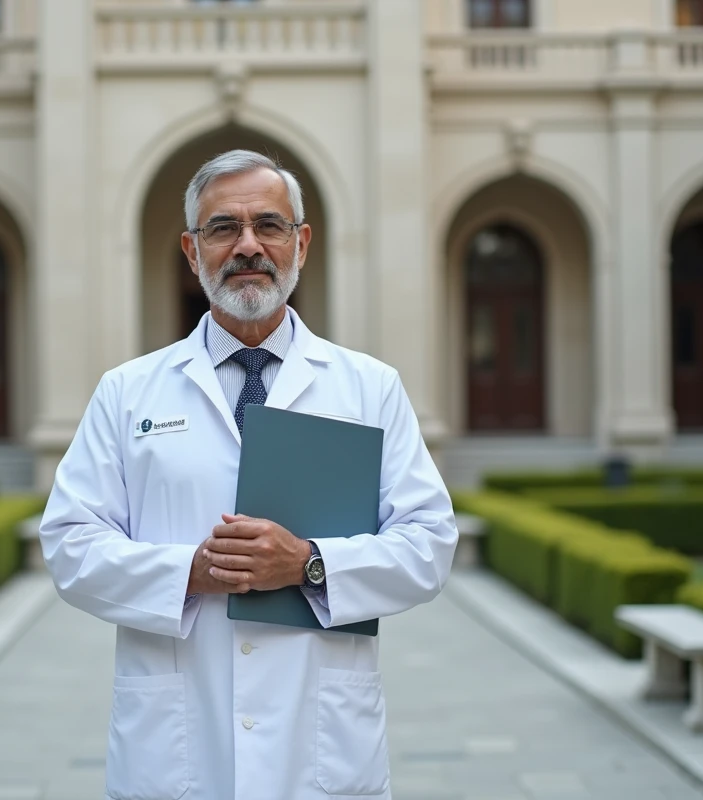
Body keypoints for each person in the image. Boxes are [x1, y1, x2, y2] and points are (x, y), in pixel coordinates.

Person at [39, 149, 458, 800]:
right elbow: (69, 543)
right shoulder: (128, 393)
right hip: (177, 747)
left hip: (320, 747)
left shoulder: (369, 388)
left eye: (269, 225)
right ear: (190, 249)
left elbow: (429, 542)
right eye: (222, 228)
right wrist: (190, 574)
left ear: (302, 242)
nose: (248, 245)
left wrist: (310, 565)